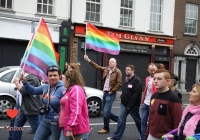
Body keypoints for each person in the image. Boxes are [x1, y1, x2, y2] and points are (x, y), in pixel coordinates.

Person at [20, 66, 65, 140]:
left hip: (57, 123)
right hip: (45, 121)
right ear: (47, 76)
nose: (52, 77)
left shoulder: (63, 89)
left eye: (55, 75)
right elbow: (33, 90)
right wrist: (25, 82)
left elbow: (69, 105)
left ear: (59, 76)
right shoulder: (45, 87)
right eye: (50, 75)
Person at [84, 54, 122, 134]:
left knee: (105, 112)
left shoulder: (118, 72)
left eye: (112, 62)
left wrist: (112, 91)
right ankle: (120, 120)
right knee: (106, 112)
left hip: (110, 94)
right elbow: (97, 67)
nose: (110, 63)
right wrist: (88, 60)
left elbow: (119, 84)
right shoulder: (106, 69)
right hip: (104, 93)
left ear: (116, 63)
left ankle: (106, 128)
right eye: (109, 61)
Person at [107, 65, 142, 140]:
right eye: (126, 69)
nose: (126, 71)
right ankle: (117, 137)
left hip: (133, 105)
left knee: (138, 120)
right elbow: (126, 89)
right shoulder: (127, 79)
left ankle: (144, 136)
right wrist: (122, 96)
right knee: (121, 120)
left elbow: (137, 94)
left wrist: (130, 105)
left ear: (133, 71)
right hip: (124, 103)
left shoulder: (137, 80)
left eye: (128, 70)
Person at [146, 69, 182, 140]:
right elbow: (151, 118)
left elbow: (178, 122)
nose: (155, 81)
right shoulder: (154, 96)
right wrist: (147, 134)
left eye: (159, 79)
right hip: (151, 135)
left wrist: (174, 137)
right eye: (154, 78)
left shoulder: (174, 98)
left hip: (166, 137)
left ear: (167, 81)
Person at [8, 72, 41, 140]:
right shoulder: (25, 75)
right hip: (22, 106)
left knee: (40, 132)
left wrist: (17, 82)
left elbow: (24, 91)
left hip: (30, 108)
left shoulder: (33, 78)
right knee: (16, 127)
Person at [59, 70, 90, 140]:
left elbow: (76, 111)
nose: (63, 80)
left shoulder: (76, 89)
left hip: (75, 131)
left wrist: (69, 128)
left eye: (64, 78)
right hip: (68, 128)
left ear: (68, 80)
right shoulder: (71, 90)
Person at [141, 63, 157, 140]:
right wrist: (142, 102)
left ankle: (149, 137)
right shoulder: (147, 78)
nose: (153, 72)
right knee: (143, 122)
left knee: (151, 122)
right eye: (151, 70)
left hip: (153, 103)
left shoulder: (157, 79)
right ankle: (143, 137)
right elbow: (146, 91)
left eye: (154, 70)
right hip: (145, 103)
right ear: (148, 70)